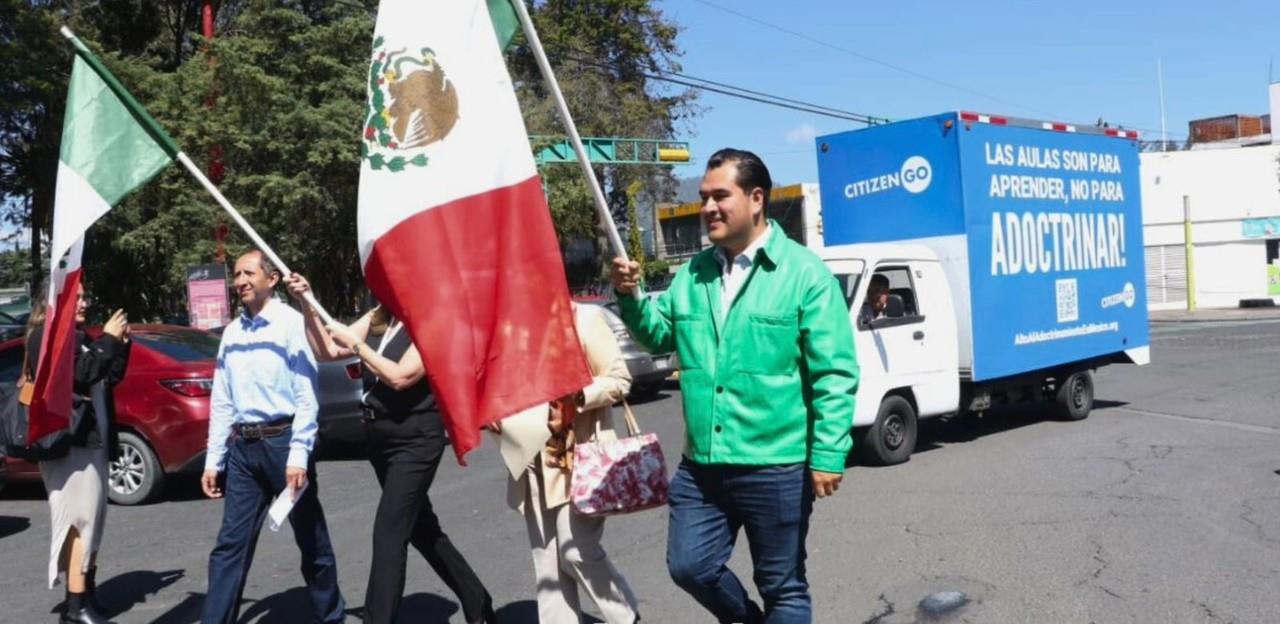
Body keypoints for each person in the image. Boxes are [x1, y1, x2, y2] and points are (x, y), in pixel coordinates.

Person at [611, 148, 859, 623]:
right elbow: (661, 335)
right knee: (689, 566)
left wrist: (828, 453)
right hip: (702, 466)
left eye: (720, 196)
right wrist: (630, 297)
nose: (707, 208)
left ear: (756, 199)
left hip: (776, 466)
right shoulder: (693, 274)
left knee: (783, 586)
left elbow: (835, 372)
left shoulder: (804, 274)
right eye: (704, 197)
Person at [284, 274, 497, 624]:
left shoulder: (436, 322)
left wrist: (357, 346)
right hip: (380, 437)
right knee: (421, 528)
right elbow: (325, 351)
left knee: (389, 532)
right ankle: (479, 603)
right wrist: (306, 303)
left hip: (416, 438)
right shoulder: (381, 316)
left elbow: (400, 377)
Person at [200, 250, 344, 624]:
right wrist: (214, 459)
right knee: (230, 545)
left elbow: (306, 395)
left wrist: (299, 455)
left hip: (285, 446)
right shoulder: (232, 333)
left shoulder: (290, 323)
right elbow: (223, 400)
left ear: (271, 279)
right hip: (244, 451)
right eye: (236, 275)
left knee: (312, 542)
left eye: (248, 273)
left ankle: (331, 616)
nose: (241, 281)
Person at [489, 302, 640, 624]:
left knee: (576, 550)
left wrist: (577, 397)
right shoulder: (512, 328)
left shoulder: (585, 318)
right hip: (530, 456)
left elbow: (618, 379)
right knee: (547, 562)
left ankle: (626, 617)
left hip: (581, 457)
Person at [28, 285, 131, 624]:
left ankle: (86, 593)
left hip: (91, 441)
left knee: (93, 521)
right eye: (79, 296)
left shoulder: (79, 335)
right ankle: (75, 608)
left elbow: (105, 376)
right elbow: (79, 374)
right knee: (78, 522)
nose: (86, 302)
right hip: (68, 444)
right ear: (57, 299)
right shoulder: (45, 336)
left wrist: (121, 345)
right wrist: (109, 341)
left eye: (87, 296)